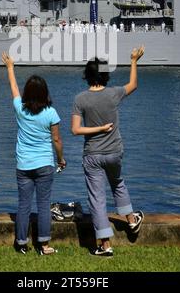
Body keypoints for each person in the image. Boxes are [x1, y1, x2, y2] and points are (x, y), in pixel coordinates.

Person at [71, 46, 145, 257]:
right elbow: (133, 85)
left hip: (92, 154)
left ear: (87, 76)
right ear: (105, 75)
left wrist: (97, 129)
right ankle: (131, 221)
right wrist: (133, 60)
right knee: (118, 183)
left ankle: (105, 246)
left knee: (97, 199)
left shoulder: (80, 99)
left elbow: (76, 130)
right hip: (114, 151)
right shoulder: (114, 94)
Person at [2, 52, 66, 255]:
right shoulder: (51, 113)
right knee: (44, 204)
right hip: (45, 165)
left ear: (27, 93)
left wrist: (10, 67)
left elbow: (13, 89)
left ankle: (21, 243)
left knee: (23, 205)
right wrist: (61, 159)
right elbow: (57, 140)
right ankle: (44, 245)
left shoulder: (20, 109)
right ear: (45, 92)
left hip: (23, 165)